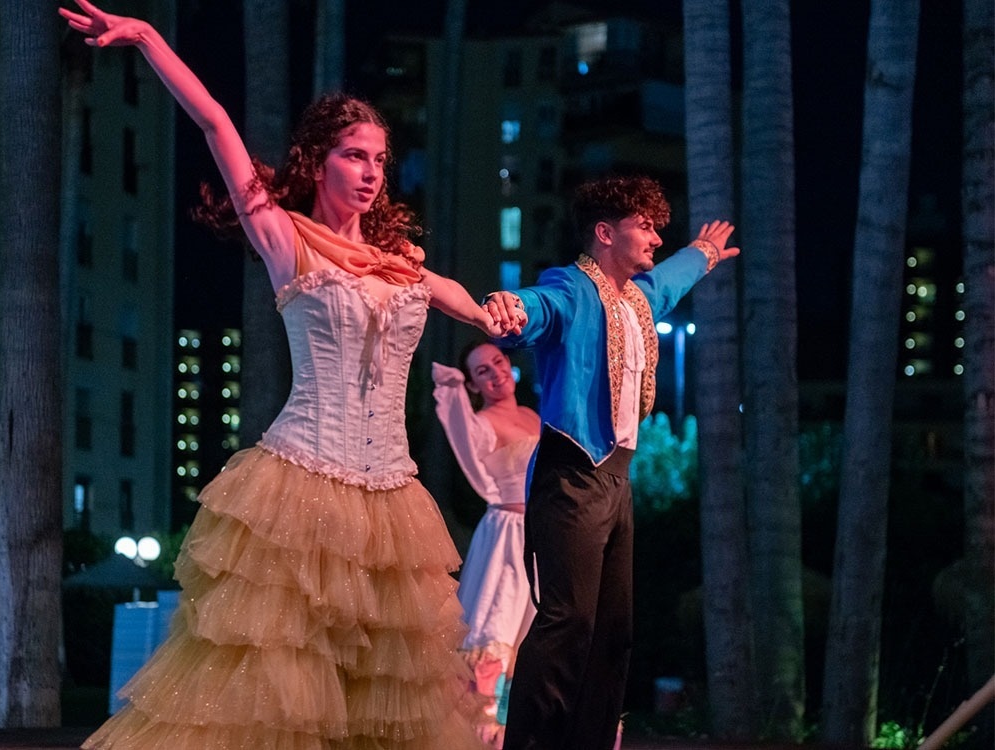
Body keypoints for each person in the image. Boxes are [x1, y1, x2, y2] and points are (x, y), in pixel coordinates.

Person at [59, 2, 509, 747]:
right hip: (302, 481)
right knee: (277, 693)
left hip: (393, 500)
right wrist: (145, 39)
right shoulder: (285, 237)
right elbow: (214, 125)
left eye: (378, 161)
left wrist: (495, 313)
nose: (369, 173)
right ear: (318, 160)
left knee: (378, 698)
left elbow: (458, 298)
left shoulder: (404, 262)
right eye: (354, 156)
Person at [482, 175, 740, 750]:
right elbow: (537, 305)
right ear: (604, 233)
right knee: (567, 620)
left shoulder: (640, 299)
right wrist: (510, 305)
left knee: (614, 630)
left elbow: (670, 280)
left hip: (617, 481)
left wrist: (704, 254)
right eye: (643, 226)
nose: (655, 236)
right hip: (572, 472)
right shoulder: (572, 288)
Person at [432, 341, 541, 746]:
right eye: (483, 372)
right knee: (493, 630)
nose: (495, 374)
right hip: (506, 538)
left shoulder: (531, 414)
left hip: (542, 536)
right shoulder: (481, 424)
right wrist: (453, 391)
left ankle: (515, 732)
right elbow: (460, 429)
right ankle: (482, 736)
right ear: (476, 385)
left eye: (497, 363)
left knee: (530, 637)